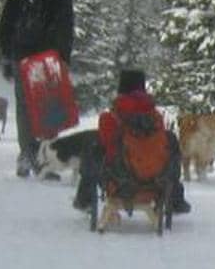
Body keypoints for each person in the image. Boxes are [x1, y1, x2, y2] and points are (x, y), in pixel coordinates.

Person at [0, 0, 76, 178]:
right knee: (50, 109)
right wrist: (63, 60)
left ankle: (26, 155)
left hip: (21, 56)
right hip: (48, 59)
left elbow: (6, 23)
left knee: (24, 107)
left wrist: (6, 55)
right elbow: (65, 29)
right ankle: (46, 159)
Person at [73, 68, 180, 213]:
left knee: (92, 142)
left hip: (120, 183)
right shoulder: (156, 118)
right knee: (171, 140)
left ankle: (84, 196)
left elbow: (108, 148)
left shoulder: (110, 118)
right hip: (155, 181)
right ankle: (176, 196)